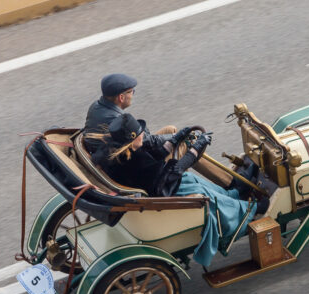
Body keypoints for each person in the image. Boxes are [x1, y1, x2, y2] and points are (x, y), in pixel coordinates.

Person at [90, 113, 268, 267]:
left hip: (149, 187)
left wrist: (174, 140)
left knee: (190, 179)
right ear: (132, 138)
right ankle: (248, 210)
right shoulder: (135, 162)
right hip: (160, 197)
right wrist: (194, 150)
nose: (143, 134)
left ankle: (234, 194)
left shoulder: (121, 153)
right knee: (202, 194)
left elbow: (154, 161)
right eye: (140, 133)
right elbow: (171, 174)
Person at [83, 73, 235, 188]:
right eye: (131, 91)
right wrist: (176, 137)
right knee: (189, 142)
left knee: (170, 129)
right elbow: (145, 142)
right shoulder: (115, 121)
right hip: (131, 167)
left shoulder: (97, 107)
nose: (133, 94)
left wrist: (173, 135)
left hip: (119, 159)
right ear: (121, 97)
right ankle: (229, 182)